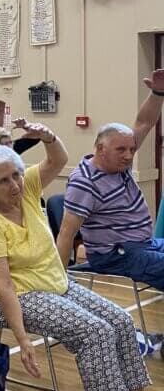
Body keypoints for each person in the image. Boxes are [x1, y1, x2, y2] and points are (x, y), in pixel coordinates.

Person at [0, 134, 164, 391]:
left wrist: (49, 137)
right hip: (8, 295)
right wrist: (23, 339)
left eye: (16, 175)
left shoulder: (27, 190)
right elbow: (2, 285)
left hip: (51, 281)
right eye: (3, 181)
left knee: (120, 319)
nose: (14, 185)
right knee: (95, 331)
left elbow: (57, 160)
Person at [55, 70, 164, 293]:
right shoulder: (85, 182)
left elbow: (144, 122)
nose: (128, 155)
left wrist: (157, 92)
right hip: (116, 257)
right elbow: (66, 232)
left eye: (132, 149)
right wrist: (58, 280)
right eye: (121, 149)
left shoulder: (119, 165)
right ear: (100, 148)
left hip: (142, 245)